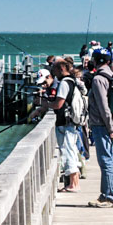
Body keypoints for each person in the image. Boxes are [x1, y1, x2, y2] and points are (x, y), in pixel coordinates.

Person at [29, 59, 82, 192]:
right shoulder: (71, 80)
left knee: (67, 151)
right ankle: (74, 183)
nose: (54, 72)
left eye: (55, 69)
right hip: (70, 122)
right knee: (71, 150)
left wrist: (46, 105)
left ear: (62, 68)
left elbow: (59, 104)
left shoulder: (64, 83)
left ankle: (73, 185)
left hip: (65, 122)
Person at [86, 52, 113, 208]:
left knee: (106, 161)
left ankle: (112, 196)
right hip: (108, 123)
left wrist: (110, 127)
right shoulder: (111, 76)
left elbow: (103, 106)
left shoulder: (98, 79)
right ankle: (105, 194)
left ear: (96, 61)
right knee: (106, 159)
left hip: (102, 125)